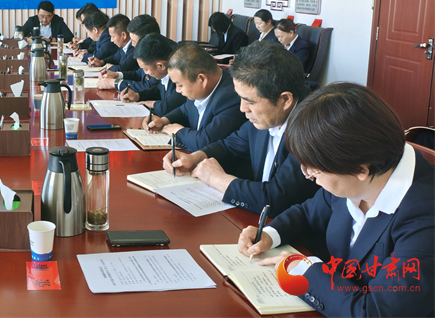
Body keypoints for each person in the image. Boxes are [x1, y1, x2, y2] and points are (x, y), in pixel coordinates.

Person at [239, 83, 434, 317]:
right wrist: (269, 234)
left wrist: (306, 271)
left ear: (361, 170)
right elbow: (308, 213)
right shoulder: (353, 167)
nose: (308, 175)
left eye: (314, 169)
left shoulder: (426, 217)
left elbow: (374, 312)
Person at [163, 41, 320, 217]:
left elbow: (275, 199)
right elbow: (230, 145)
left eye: (249, 101)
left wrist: (218, 179)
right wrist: (194, 158)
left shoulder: (313, 129)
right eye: (240, 98)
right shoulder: (266, 115)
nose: (242, 108)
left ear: (285, 100)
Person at [143, 42, 247, 152]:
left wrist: (178, 131)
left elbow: (205, 141)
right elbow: (184, 110)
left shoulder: (232, 97)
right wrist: (164, 120)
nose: (177, 90)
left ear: (202, 79)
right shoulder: (201, 89)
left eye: (180, 85)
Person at [119, 33, 187, 117]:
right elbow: (158, 90)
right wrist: (138, 96)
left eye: (146, 69)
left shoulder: (180, 79)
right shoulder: (165, 74)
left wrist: (150, 104)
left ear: (161, 66)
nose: (145, 73)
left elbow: (166, 107)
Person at [96, 14, 163, 92]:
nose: (132, 44)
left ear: (147, 40)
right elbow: (138, 74)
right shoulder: (149, 51)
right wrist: (117, 75)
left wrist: (116, 83)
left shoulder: (161, 55)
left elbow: (150, 86)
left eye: (134, 41)